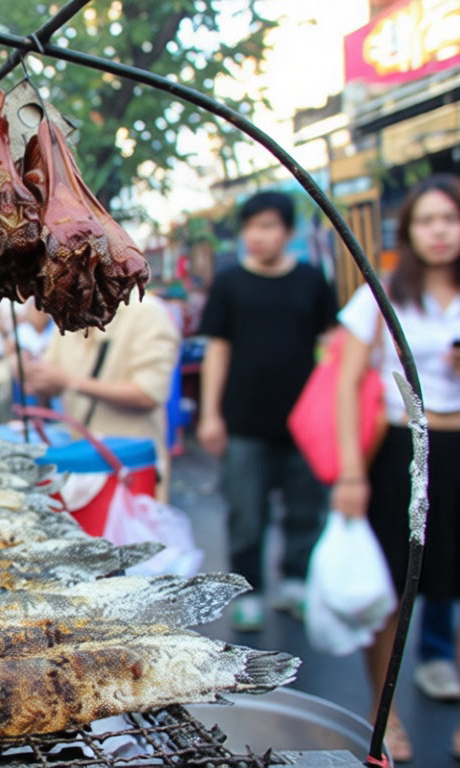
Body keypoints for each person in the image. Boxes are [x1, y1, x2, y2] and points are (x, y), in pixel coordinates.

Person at [334, 174, 460, 764]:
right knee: (392, 597)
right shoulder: (380, 295)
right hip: (401, 452)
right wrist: (351, 473)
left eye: (450, 220)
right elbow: (347, 385)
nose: (440, 231)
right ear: (409, 232)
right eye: (428, 220)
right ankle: (385, 717)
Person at [197, 191, 336, 632]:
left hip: (304, 424)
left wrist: (334, 413)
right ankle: (248, 591)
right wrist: (210, 414)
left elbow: (331, 350)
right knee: (245, 513)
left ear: (289, 233)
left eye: (268, 226)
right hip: (243, 421)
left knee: (305, 507)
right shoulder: (230, 282)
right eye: (251, 227)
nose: (257, 236)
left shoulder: (312, 281)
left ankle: (295, 580)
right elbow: (217, 351)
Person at [24, 293, 180, 501]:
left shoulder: (147, 312)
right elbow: (52, 378)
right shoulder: (70, 311)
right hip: (79, 468)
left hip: (130, 469)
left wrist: (71, 381)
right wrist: (36, 378)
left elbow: (148, 394)